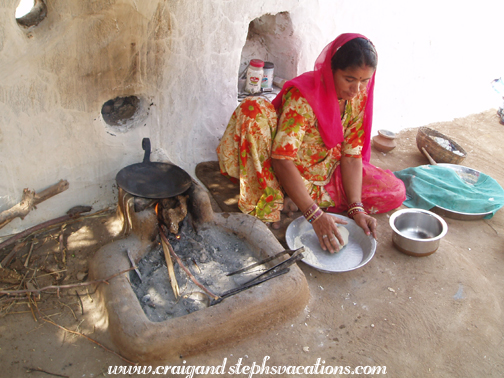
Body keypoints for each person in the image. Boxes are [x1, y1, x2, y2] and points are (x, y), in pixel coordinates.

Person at [217, 33, 406, 253]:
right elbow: (281, 159)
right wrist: (314, 214)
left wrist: (356, 208)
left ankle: (295, 196)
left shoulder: (357, 98)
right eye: (349, 79)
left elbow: (352, 156)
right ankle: (279, 194)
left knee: (394, 191)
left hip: (323, 171)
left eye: (364, 81)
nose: (356, 90)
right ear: (332, 69)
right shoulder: (304, 97)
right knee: (253, 109)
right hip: (280, 167)